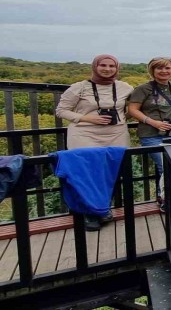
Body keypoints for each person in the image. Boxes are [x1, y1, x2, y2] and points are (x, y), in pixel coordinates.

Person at [55, 54, 133, 231]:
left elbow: (134, 107)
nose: (107, 69)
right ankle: (90, 212)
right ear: (95, 67)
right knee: (87, 172)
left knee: (112, 170)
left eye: (112, 66)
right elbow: (61, 111)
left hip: (116, 132)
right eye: (103, 65)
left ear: (117, 68)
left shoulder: (124, 87)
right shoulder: (79, 87)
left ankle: (103, 208)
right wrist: (86, 118)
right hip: (84, 132)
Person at [127, 57, 171, 211]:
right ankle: (165, 198)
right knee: (165, 165)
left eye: (167, 68)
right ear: (152, 70)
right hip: (151, 133)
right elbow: (132, 110)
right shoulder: (143, 89)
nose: (164, 71)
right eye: (159, 68)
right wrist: (152, 122)